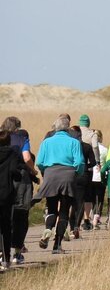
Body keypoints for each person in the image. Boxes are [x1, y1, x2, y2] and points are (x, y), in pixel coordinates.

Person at [36, 116, 84, 253]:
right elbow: (79, 162)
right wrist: (76, 174)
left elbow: (39, 162)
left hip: (51, 175)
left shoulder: (46, 142)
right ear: (68, 128)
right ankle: (57, 245)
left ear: (55, 128)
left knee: (51, 208)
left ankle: (47, 230)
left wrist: (46, 171)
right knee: (64, 211)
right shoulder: (74, 142)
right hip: (68, 176)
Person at [1, 117, 38, 264]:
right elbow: (27, 157)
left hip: (3, 180)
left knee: (5, 216)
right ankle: (17, 251)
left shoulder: (1, 137)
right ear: (17, 127)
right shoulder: (22, 138)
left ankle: (2, 252)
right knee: (21, 215)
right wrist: (33, 171)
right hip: (21, 178)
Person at [0, 130, 26, 270]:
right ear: (9, 141)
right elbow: (14, 172)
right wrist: (18, 177)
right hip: (6, 194)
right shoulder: (13, 154)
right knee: (5, 226)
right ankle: (5, 258)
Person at [70, 125, 98, 239]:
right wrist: (86, 166)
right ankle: (76, 226)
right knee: (80, 202)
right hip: (84, 174)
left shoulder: (70, 146)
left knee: (70, 202)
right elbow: (94, 162)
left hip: (70, 174)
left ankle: (71, 227)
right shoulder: (86, 147)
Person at [91, 130, 108, 229]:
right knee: (100, 198)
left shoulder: (90, 148)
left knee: (92, 198)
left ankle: (92, 215)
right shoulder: (105, 149)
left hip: (91, 176)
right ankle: (97, 218)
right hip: (101, 176)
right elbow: (106, 163)